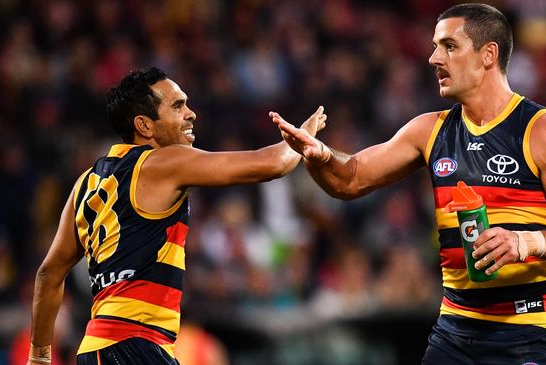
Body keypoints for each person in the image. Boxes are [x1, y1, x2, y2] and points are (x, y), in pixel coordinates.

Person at [271, 3, 546, 364]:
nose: (433, 58)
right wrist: (320, 155)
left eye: (449, 46)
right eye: (435, 46)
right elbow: (349, 179)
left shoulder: (542, 131)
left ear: (488, 55)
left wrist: (526, 241)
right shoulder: (430, 131)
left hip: (529, 332)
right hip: (454, 331)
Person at [27, 67, 326, 365]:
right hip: (136, 346)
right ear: (145, 126)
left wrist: (39, 358)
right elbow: (273, 164)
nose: (191, 113)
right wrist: (305, 136)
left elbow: (48, 274)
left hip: (96, 350)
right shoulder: (164, 162)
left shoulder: (86, 182)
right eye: (178, 105)